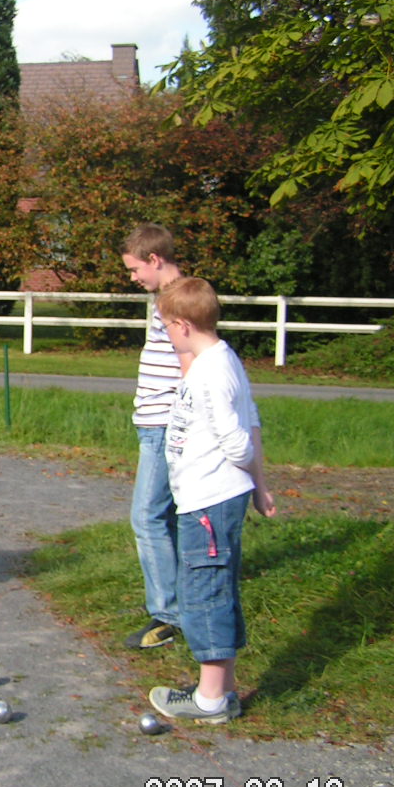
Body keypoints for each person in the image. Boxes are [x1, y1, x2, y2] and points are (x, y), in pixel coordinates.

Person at [148, 277, 275, 724]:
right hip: (208, 498)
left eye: (166, 327)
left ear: (182, 325)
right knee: (216, 587)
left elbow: (238, 439)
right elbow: (251, 415)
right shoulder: (221, 359)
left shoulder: (210, 371)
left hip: (209, 499)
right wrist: (259, 485)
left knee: (203, 592)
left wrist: (252, 472)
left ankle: (209, 701)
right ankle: (224, 689)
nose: (166, 334)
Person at [120, 223, 189, 650]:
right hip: (153, 423)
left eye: (133, 269)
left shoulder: (176, 301)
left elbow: (191, 360)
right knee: (164, 518)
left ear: (154, 259)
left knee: (147, 518)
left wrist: (182, 421)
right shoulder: (162, 301)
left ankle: (168, 615)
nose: (132, 278)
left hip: (165, 424)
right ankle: (182, 603)